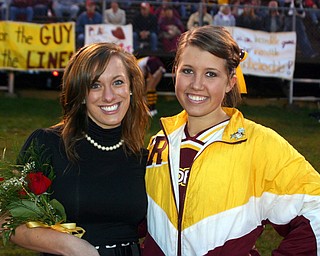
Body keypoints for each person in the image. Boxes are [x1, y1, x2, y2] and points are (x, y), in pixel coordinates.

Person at [143, 25, 320, 255]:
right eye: (187, 71)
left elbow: (315, 209)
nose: (197, 84)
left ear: (230, 82)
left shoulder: (258, 143)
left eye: (211, 74)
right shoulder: (159, 143)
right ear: (174, 71)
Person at [7, 42, 149, 256]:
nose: (109, 96)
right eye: (95, 85)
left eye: (118, 82)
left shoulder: (143, 157)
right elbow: (8, 221)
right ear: (81, 93)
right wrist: (70, 246)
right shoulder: (46, 145)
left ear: (130, 88)